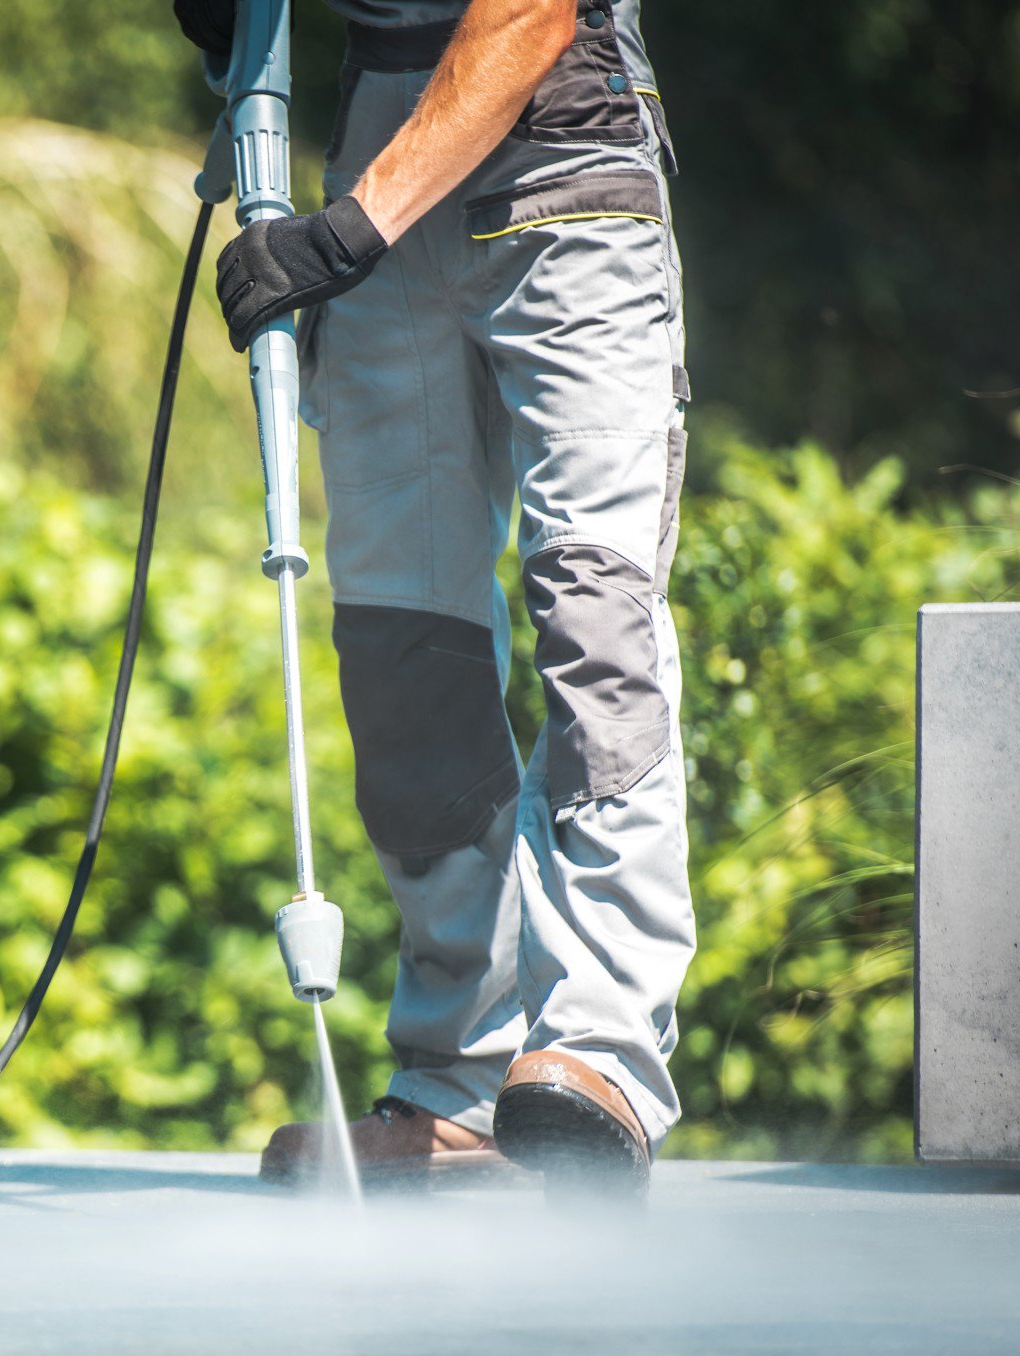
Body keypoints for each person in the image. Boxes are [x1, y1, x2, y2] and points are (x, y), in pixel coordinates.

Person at [176, 0, 693, 1189]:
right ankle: (460, 1080)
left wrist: (346, 231)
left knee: (591, 613)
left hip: (565, 157)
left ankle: (600, 1049)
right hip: (378, 146)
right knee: (403, 644)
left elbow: (526, 16)